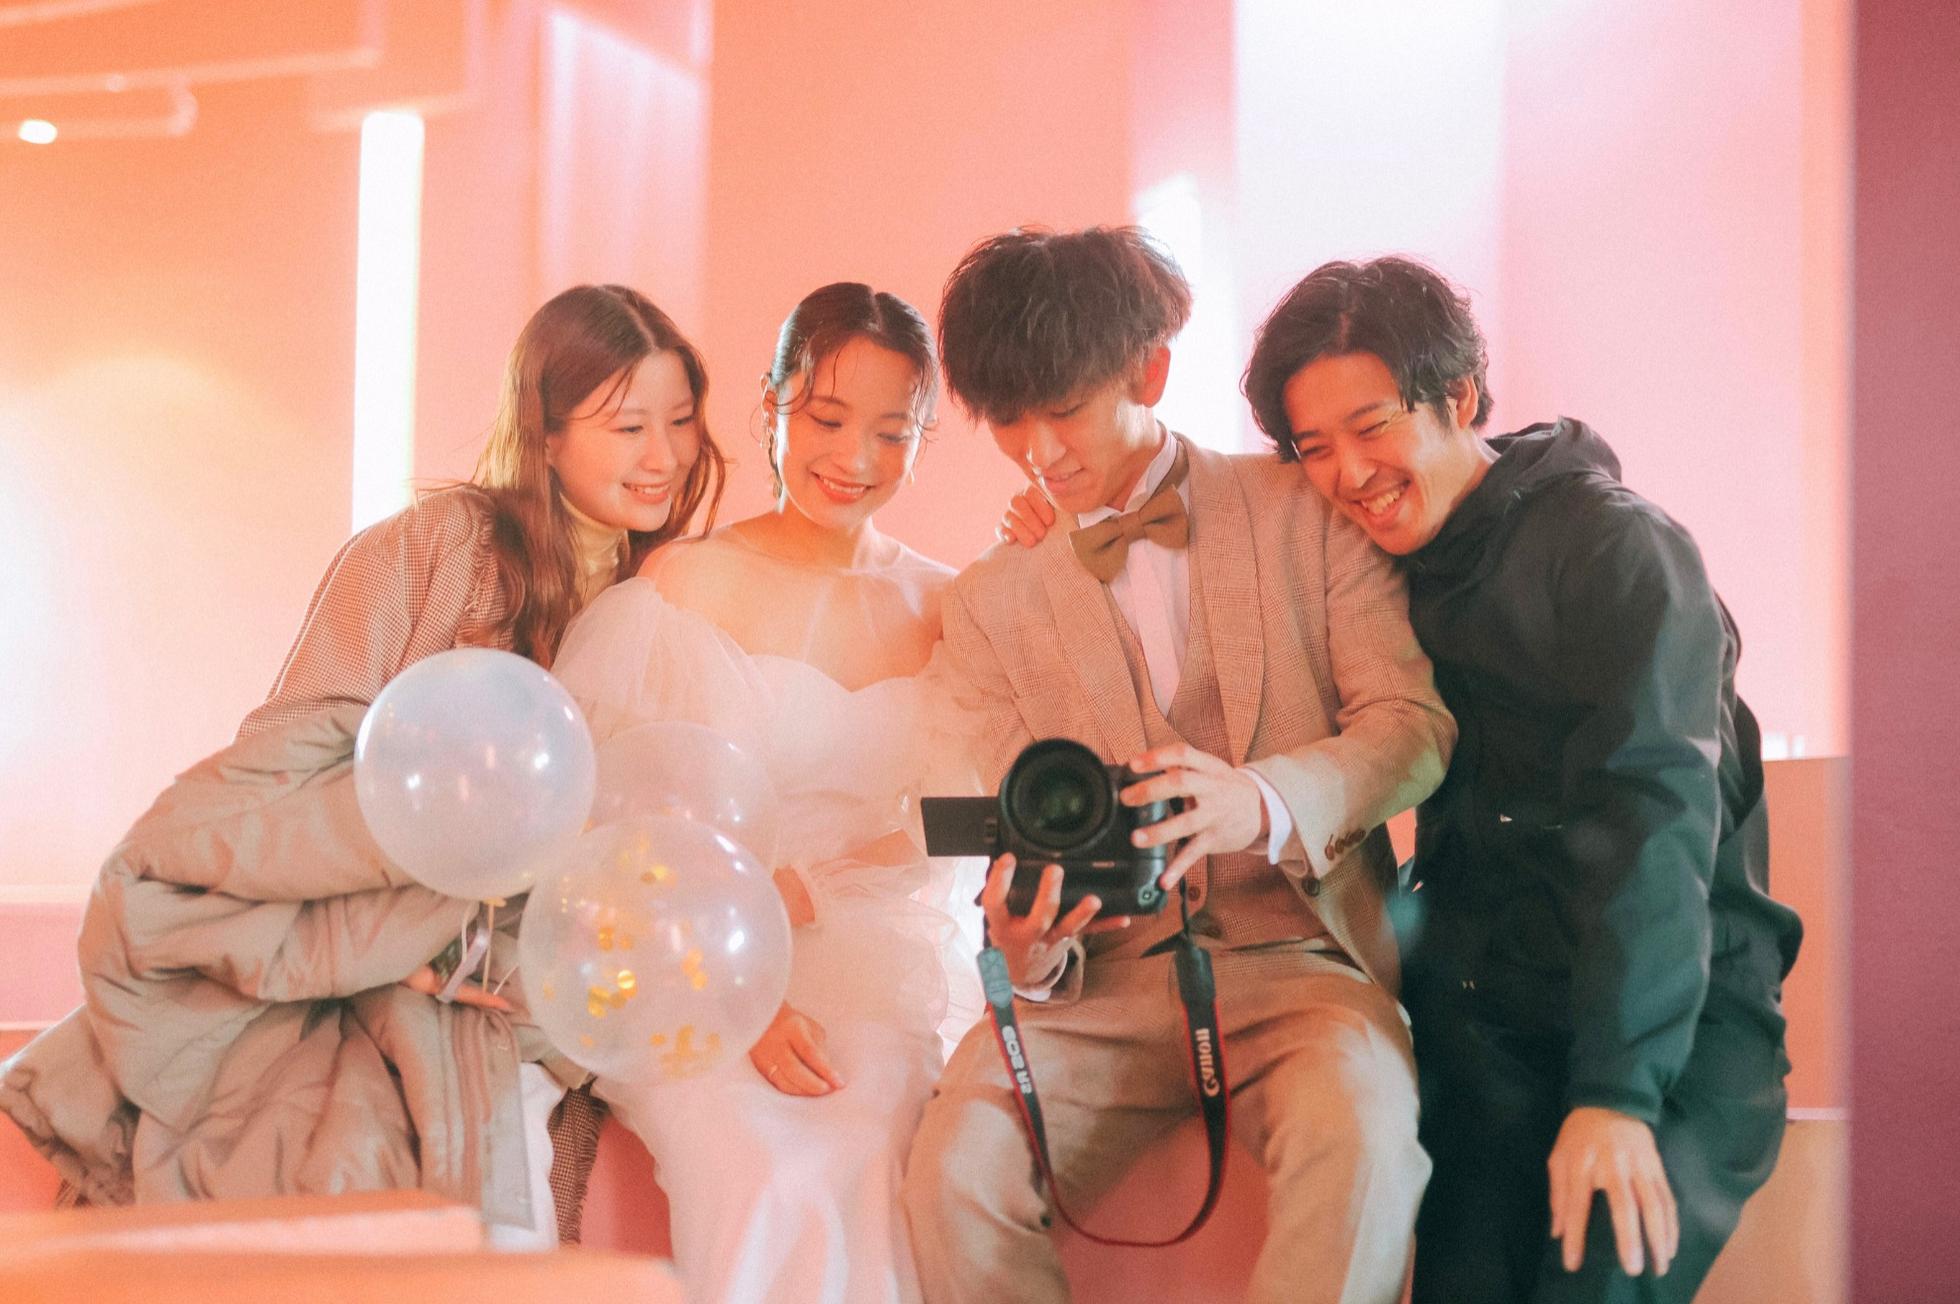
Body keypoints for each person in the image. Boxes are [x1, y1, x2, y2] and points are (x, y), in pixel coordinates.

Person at [0, 284, 725, 1249]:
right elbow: (290, 772)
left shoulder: (680, 594)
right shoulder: (430, 550)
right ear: (545, 436)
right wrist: (397, 947)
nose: (665, 456)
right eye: (629, 426)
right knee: (342, 1141)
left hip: (551, 979)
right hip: (386, 943)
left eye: (681, 420)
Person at [899, 226, 1455, 1304]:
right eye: (1008, 420)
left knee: (1363, 1142)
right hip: (1091, 989)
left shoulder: (1306, 509)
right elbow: (1017, 837)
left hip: (1304, 963)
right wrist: (1025, 949)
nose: (1036, 451)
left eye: (1064, 409)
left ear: (1148, 371)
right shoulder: (986, 605)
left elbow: (1409, 724)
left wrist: (1260, 800)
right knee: (953, 1177)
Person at [1234, 255, 1804, 1302]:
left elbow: (1656, 825)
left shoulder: (1618, 550)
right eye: (1313, 448)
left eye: (1370, 427)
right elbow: (1223, 536)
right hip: (1488, 1028)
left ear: (1457, 397)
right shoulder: (1375, 567)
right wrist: (1049, 527)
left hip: (1672, 1025)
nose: (1348, 473)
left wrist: (1618, 1095)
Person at [552, 282, 978, 1304]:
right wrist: (732, 983)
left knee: (864, 1151)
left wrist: (824, 885)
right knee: (755, 1164)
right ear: (773, 402)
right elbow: (601, 826)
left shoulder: (949, 606)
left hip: (868, 970)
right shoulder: (680, 585)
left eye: (892, 432)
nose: (855, 458)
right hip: (683, 965)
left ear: (923, 437)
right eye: (826, 419)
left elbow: (971, 816)